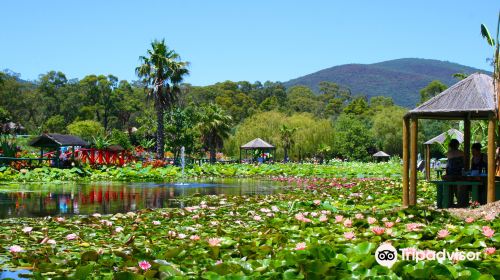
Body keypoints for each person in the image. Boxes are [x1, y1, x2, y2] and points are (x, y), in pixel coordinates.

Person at [443, 139, 465, 207]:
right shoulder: (461, 153)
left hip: (450, 175)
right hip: (459, 175)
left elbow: (448, 166)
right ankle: (460, 203)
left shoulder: (448, 153)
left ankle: (449, 202)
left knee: (450, 187)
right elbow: (463, 164)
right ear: (457, 145)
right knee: (459, 188)